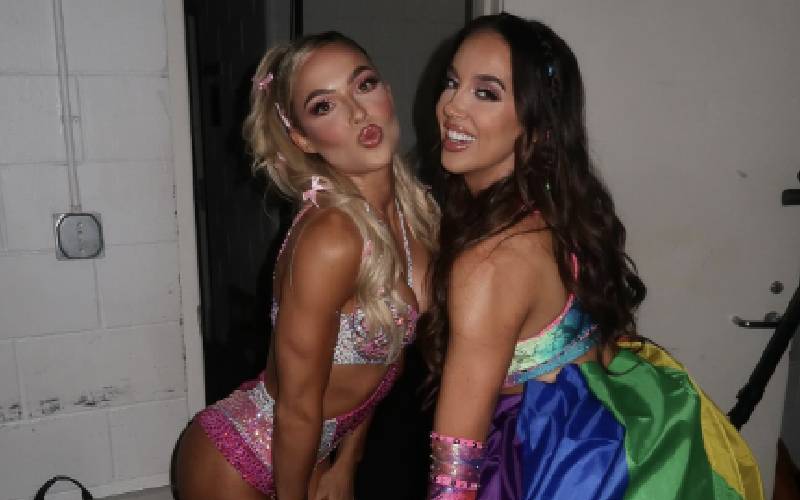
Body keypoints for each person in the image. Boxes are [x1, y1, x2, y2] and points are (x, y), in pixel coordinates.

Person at [420, 13, 763, 500]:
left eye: (486, 93)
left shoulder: (490, 262)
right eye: (453, 82)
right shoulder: (556, 208)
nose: (452, 106)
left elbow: (455, 462)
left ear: (538, 126)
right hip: (615, 435)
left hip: (556, 467)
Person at [174, 31, 439, 500]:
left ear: (386, 91)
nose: (357, 112)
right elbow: (296, 408)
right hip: (239, 461)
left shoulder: (412, 217)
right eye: (324, 106)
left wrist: (347, 461)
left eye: (364, 85)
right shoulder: (331, 237)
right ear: (302, 138)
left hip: (314, 452)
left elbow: (389, 352)